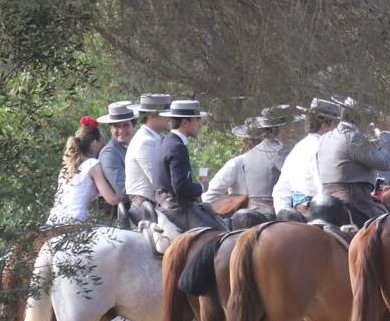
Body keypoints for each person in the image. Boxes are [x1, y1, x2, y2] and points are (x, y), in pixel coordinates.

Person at [318, 95, 390, 225]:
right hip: (354, 202)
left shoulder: (324, 138)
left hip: (326, 198)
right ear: (360, 117)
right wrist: (385, 133)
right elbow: (386, 163)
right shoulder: (353, 138)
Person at [152, 99, 225, 231]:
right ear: (185, 122)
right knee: (217, 234)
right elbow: (181, 188)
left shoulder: (164, 141)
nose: (200, 124)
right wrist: (202, 187)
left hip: (162, 203)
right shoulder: (177, 146)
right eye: (197, 120)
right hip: (176, 208)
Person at [203, 111, 288, 219]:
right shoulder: (236, 163)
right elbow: (209, 195)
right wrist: (231, 208)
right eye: (250, 139)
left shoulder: (274, 155)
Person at [46, 117, 122, 225]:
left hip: (53, 221)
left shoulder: (66, 168)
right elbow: (112, 199)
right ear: (95, 143)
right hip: (74, 221)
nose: (104, 145)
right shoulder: (92, 165)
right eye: (102, 141)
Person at [274, 98, 341, 215]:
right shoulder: (323, 148)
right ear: (325, 126)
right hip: (318, 210)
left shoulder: (298, 147)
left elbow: (281, 189)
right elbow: (321, 184)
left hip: (296, 211)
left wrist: (283, 213)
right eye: (335, 125)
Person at [123, 92, 171, 217]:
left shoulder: (151, 138)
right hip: (145, 206)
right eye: (164, 113)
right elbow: (158, 180)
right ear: (151, 116)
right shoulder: (146, 141)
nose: (169, 117)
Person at [95, 100, 136, 201]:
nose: (121, 131)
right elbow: (124, 191)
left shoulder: (137, 146)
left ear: (133, 126)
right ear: (110, 129)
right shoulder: (109, 154)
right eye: (116, 126)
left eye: (125, 125)